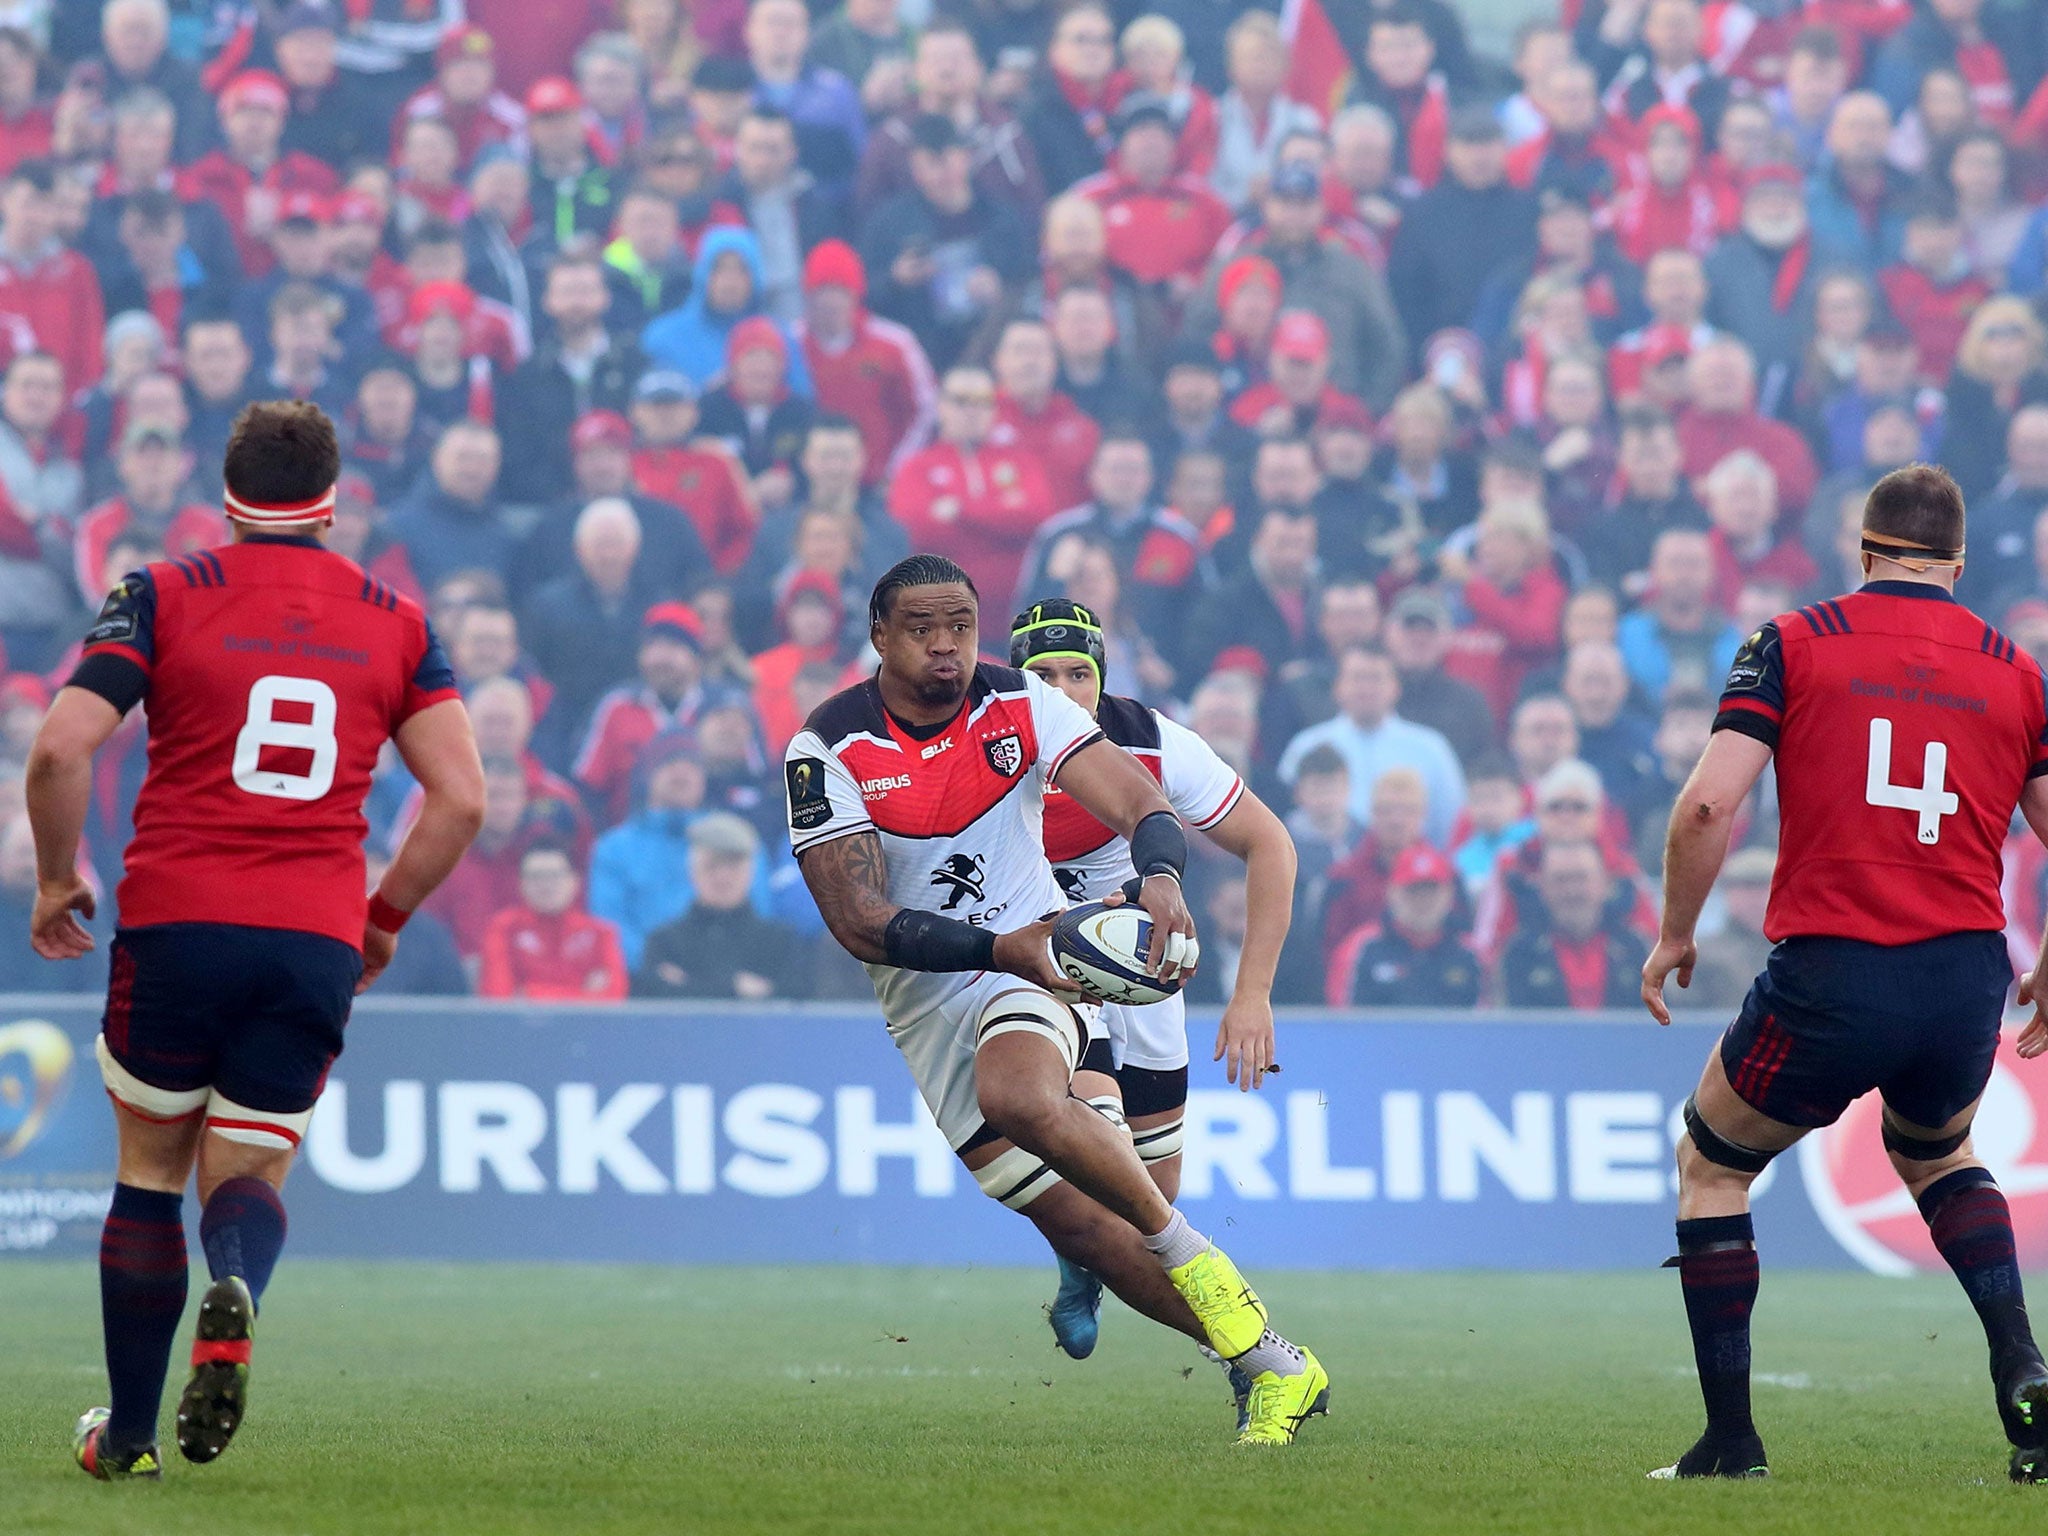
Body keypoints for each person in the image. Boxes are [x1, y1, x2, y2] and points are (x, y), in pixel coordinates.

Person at [26, 401, 483, 1480]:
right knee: (248, 1174)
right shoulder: (398, 620)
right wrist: (378, 922)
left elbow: (58, 750)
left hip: (177, 919)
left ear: (224, 489)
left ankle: (129, 1436)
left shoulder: (164, 591)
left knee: (147, 1174)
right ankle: (238, 1286)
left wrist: (54, 882)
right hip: (313, 934)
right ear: (334, 496)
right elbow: (460, 801)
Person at [789, 554, 1327, 1445]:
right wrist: (1005, 948)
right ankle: (1274, 1364)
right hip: (935, 998)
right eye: (921, 629)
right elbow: (858, 921)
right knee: (1090, 1233)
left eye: (959, 625)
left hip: (1041, 961)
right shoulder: (825, 750)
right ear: (879, 636)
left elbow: (1143, 804)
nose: (944, 647)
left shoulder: (1022, 705)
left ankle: (1198, 1260)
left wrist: (1158, 875)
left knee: (1022, 1095)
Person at [1642, 464, 2048, 1483]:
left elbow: (1704, 807)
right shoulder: (2016, 670)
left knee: (1712, 1164)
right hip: (1962, 976)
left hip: (1833, 968)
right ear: (1956, 563)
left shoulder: (1790, 641)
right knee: (1938, 1154)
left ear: (1862, 549)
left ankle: (1729, 1444)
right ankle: (2023, 1373)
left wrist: (1673, 933)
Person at [1011, 598, 1296, 1363]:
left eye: (1080, 674)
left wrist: (1252, 995)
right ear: (1015, 682)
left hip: (1143, 968)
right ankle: (1251, 1354)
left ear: (1103, 680)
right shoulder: (990, 757)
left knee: (1151, 1202)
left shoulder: (1156, 747)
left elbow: (1270, 844)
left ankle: (1084, 1266)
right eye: (1042, 675)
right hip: (1040, 967)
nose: (1063, 691)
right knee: (1091, 1138)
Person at [634, 811, 804, 998]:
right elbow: (656, 1001)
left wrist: (689, 986)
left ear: (751, 872)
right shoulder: (664, 943)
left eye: (733, 866)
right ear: (692, 870)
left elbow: (793, 1003)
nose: (722, 877)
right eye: (711, 865)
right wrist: (737, 989)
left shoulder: (781, 943)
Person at [1328, 842, 1479, 1008]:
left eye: (1430, 891)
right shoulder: (1359, 950)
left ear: (1449, 894)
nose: (1422, 901)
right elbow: (1340, 1021)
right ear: (1392, 893)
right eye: (1413, 891)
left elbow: (1488, 1023)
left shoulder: (1472, 955)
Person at [477, 839, 628, 1000]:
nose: (546, 885)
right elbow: (497, 999)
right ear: (520, 884)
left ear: (575, 881)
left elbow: (614, 998)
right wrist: (585, 995)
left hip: (584, 1026)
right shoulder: (503, 929)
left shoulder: (601, 934)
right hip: (519, 1026)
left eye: (555, 875)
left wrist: (528, 993)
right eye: (536, 876)